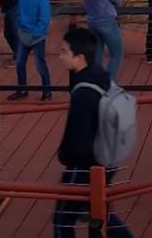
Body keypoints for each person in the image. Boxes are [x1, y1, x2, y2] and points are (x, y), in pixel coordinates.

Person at [54, 28, 134, 238]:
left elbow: (79, 137)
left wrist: (65, 156)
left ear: (79, 57)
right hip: (108, 156)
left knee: (63, 218)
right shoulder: (101, 76)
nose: (60, 57)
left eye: (64, 52)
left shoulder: (83, 92)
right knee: (99, 212)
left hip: (86, 164)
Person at [8, 0, 52, 101]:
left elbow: (44, 19)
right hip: (23, 33)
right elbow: (20, 12)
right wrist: (20, 26)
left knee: (40, 64)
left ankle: (47, 91)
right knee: (20, 62)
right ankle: (22, 89)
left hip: (37, 36)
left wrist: (36, 33)